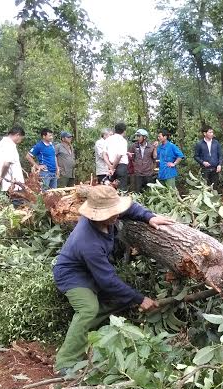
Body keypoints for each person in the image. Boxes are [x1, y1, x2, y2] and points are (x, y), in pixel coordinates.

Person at [53, 185, 175, 369]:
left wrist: (149, 217)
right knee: (88, 309)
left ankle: (84, 332)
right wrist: (140, 299)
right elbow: (108, 281)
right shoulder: (88, 242)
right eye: (112, 212)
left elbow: (130, 208)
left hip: (93, 269)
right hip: (72, 275)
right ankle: (65, 362)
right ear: (98, 215)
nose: (117, 214)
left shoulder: (109, 214)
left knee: (121, 300)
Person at [0, 126, 26, 205]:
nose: (20, 141)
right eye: (21, 138)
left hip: (4, 186)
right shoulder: (10, 145)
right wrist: (1, 177)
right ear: (17, 135)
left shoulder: (0, 144)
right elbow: (6, 164)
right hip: (14, 185)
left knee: (8, 210)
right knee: (18, 210)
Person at [128, 128, 155, 193]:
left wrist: (152, 169)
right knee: (138, 193)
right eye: (137, 136)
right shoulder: (134, 146)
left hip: (148, 174)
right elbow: (131, 157)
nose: (137, 138)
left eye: (139, 136)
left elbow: (154, 158)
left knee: (149, 193)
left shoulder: (151, 146)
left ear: (145, 137)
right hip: (138, 174)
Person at [104, 122, 130, 190]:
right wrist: (112, 168)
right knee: (121, 190)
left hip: (111, 166)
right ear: (124, 131)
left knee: (111, 189)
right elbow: (119, 156)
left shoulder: (108, 139)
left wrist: (110, 167)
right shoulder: (123, 140)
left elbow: (104, 154)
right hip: (121, 167)